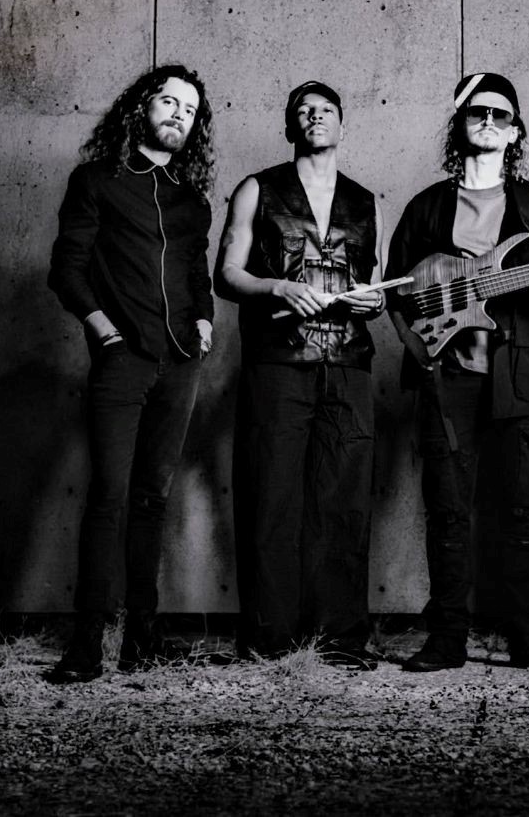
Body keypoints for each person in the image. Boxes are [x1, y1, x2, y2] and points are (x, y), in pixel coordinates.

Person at [386, 72, 529, 673]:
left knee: (524, 510)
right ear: (460, 126)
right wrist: (420, 352)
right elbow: (398, 296)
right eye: (478, 112)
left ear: (515, 131)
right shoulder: (426, 208)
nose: (489, 121)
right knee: (448, 511)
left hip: (524, 376)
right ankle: (446, 638)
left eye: (502, 115)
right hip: (447, 378)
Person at [48, 65, 215, 681]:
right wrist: (105, 331)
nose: (178, 114)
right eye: (168, 101)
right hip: (123, 360)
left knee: (153, 500)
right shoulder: (97, 181)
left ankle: (141, 642)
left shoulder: (192, 201)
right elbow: (67, 268)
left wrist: (204, 323)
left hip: (181, 365)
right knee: (108, 498)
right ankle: (86, 647)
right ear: (140, 108)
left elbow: (197, 277)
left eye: (189, 110)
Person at [215, 82, 384, 669]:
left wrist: (374, 302)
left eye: (326, 110)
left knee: (344, 503)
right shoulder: (257, 189)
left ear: (342, 124)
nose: (315, 117)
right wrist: (277, 288)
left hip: (349, 363)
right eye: (304, 111)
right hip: (279, 363)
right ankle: (270, 642)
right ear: (291, 127)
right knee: (272, 499)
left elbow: (376, 284)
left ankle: (339, 640)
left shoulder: (366, 201)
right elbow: (227, 274)